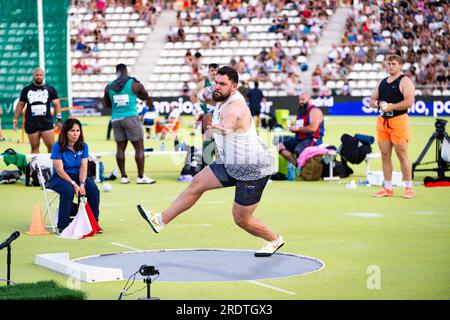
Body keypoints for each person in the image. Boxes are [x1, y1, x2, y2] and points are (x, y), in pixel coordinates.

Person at [137, 66, 283, 257]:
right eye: (216, 82)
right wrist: (202, 94)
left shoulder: (235, 108)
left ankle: (274, 239)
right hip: (230, 163)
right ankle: (160, 220)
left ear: (234, 87)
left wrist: (221, 129)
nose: (218, 87)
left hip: (252, 169)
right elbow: (201, 95)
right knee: (197, 183)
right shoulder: (218, 95)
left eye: (223, 84)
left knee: (241, 219)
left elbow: (229, 124)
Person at [369, 54, 415, 199]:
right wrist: (379, 105)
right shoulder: (382, 82)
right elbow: (371, 101)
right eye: (388, 63)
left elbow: (409, 102)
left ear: (400, 65)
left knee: (402, 155)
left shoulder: (405, 81)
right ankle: (387, 188)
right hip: (382, 122)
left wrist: (391, 107)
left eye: (394, 64)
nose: (390, 66)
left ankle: (408, 187)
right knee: (385, 155)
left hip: (399, 120)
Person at [103, 63, 156, 184]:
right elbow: (145, 96)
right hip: (130, 117)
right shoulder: (133, 84)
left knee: (120, 148)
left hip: (116, 119)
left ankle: (124, 177)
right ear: (126, 71)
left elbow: (107, 105)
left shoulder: (109, 86)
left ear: (116, 72)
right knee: (139, 146)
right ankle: (141, 177)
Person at [46, 118, 100, 233]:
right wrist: (74, 184)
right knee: (68, 190)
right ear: (65, 132)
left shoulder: (84, 146)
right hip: (60, 178)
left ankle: (93, 223)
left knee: (93, 189)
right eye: (72, 131)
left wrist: (82, 183)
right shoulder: (57, 146)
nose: (75, 134)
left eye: (78, 130)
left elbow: (83, 166)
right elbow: (60, 171)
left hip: (78, 176)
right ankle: (63, 226)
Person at [13, 68, 62, 153]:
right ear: (33, 76)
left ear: (43, 75)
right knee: (34, 148)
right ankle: (35, 166)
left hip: (46, 122)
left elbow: (56, 104)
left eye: (40, 75)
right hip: (31, 123)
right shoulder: (27, 89)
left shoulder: (50, 89)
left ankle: (50, 165)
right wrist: (15, 119)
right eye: (37, 75)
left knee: (51, 147)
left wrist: (59, 120)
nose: (39, 77)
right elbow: (20, 104)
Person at [278, 93, 325, 165]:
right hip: (300, 139)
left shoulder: (315, 111)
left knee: (298, 150)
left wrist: (297, 129)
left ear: (309, 100)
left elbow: (313, 128)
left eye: (303, 99)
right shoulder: (302, 111)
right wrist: (292, 127)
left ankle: (302, 168)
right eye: (299, 99)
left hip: (313, 139)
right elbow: (298, 125)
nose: (300, 101)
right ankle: (297, 166)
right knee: (279, 145)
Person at [191, 63, 219, 165]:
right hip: (206, 115)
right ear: (209, 72)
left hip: (217, 116)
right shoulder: (204, 83)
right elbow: (192, 95)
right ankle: (205, 162)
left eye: (216, 71)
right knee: (205, 138)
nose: (214, 73)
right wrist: (199, 110)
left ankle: (216, 163)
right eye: (212, 70)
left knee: (218, 139)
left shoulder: (220, 84)